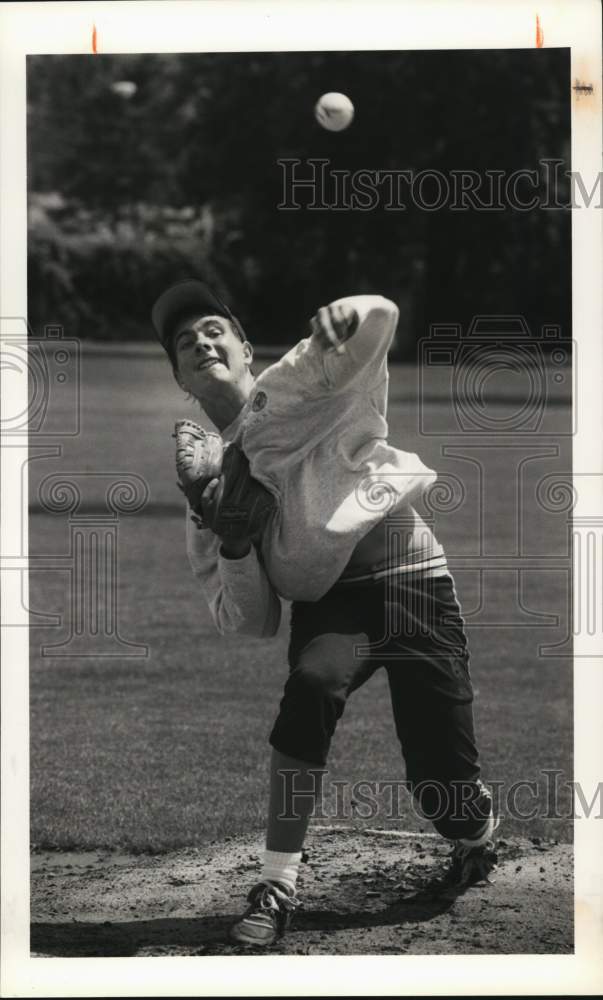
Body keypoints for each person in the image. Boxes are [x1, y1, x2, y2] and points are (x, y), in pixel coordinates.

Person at [151, 279, 497, 947]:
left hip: (413, 582)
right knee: (310, 686)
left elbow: (381, 320)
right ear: (178, 377)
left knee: (441, 790)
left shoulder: (295, 383)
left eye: (213, 328)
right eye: (182, 341)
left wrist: (354, 310)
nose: (199, 339)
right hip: (330, 607)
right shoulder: (206, 485)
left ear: (245, 347)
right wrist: (230, 538)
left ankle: (477, 835)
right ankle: (277, 883)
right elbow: (249, 619)